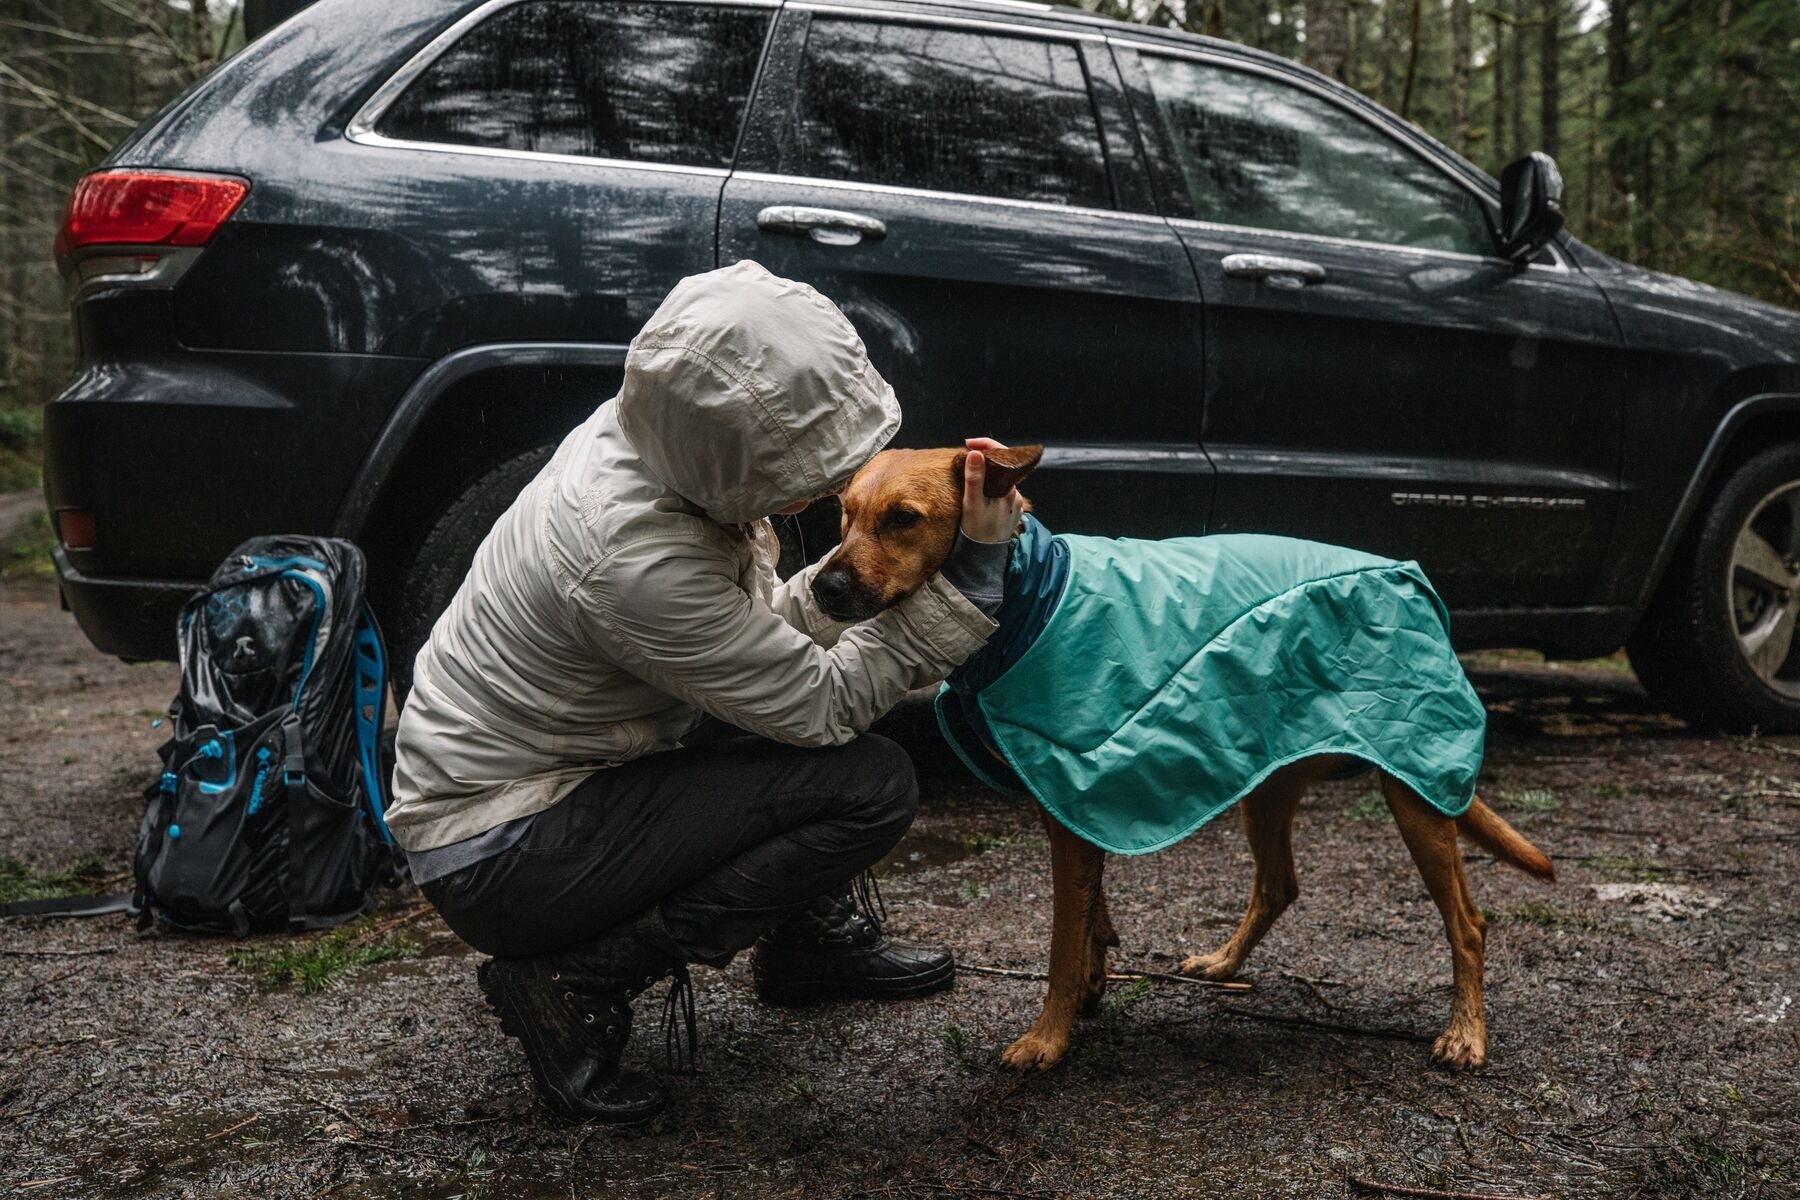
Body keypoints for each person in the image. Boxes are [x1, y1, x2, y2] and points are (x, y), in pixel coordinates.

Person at [386, 261, 1022, 1122]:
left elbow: (751, 652)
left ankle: (805, 948)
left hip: (557, 785)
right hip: (504, 851)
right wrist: (968, 579)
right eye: (806, 464)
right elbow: (824, 705)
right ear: (733, 448)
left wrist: (839, 593)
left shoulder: (658, 441)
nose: (826, 483)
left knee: (764, 725)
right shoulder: (629, 556)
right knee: (867, 782)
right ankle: (571, 982)